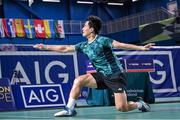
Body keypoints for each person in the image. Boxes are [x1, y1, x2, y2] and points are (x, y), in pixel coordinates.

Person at [33, 15, 152, 117]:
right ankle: (69, 109)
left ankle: (139, 104)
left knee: (122, 107)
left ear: (91, 29)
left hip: (115, 75)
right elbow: (65, 48)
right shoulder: (84, 45)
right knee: (79, 80)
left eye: (84, 26)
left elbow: (119, 44)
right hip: (101, 75)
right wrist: (45, 47)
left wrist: (141, 47)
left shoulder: (102, 40)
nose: (82, 28)